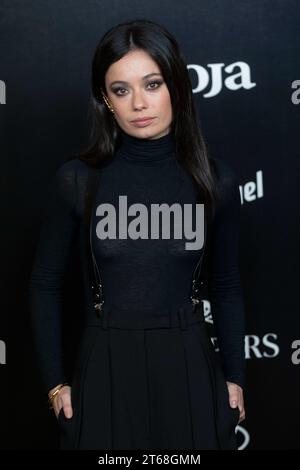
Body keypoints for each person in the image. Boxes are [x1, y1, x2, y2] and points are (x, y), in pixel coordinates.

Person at [28, 18, 246, 450]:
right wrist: (55, 384)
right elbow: (44, 285)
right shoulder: (77, 180)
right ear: (106, 100)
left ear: (177, 88)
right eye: (121, 90)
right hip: (105, 363)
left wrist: (235, 377)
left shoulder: (213, 181)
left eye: (152, 84)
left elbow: (227, 287)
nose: (138, 104)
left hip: (189, 363)